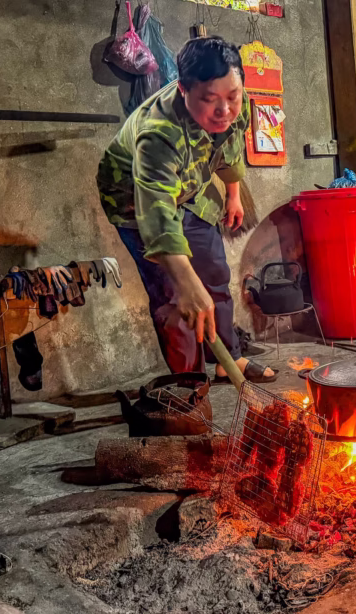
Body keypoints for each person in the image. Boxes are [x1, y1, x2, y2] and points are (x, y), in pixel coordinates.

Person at [97, 36, 277, 383]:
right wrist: (184, 281)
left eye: (232, 96)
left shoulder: (234, 101)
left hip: (190, 190)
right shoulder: (159, 135)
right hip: (135, 203)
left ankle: (229, 359)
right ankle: (189, 384)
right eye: (210, 100)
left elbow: (231, 146)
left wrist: (233, 194)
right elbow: (157, 215)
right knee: (174, 297)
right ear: (183, 90)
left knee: (213, 272)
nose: (224, 110)